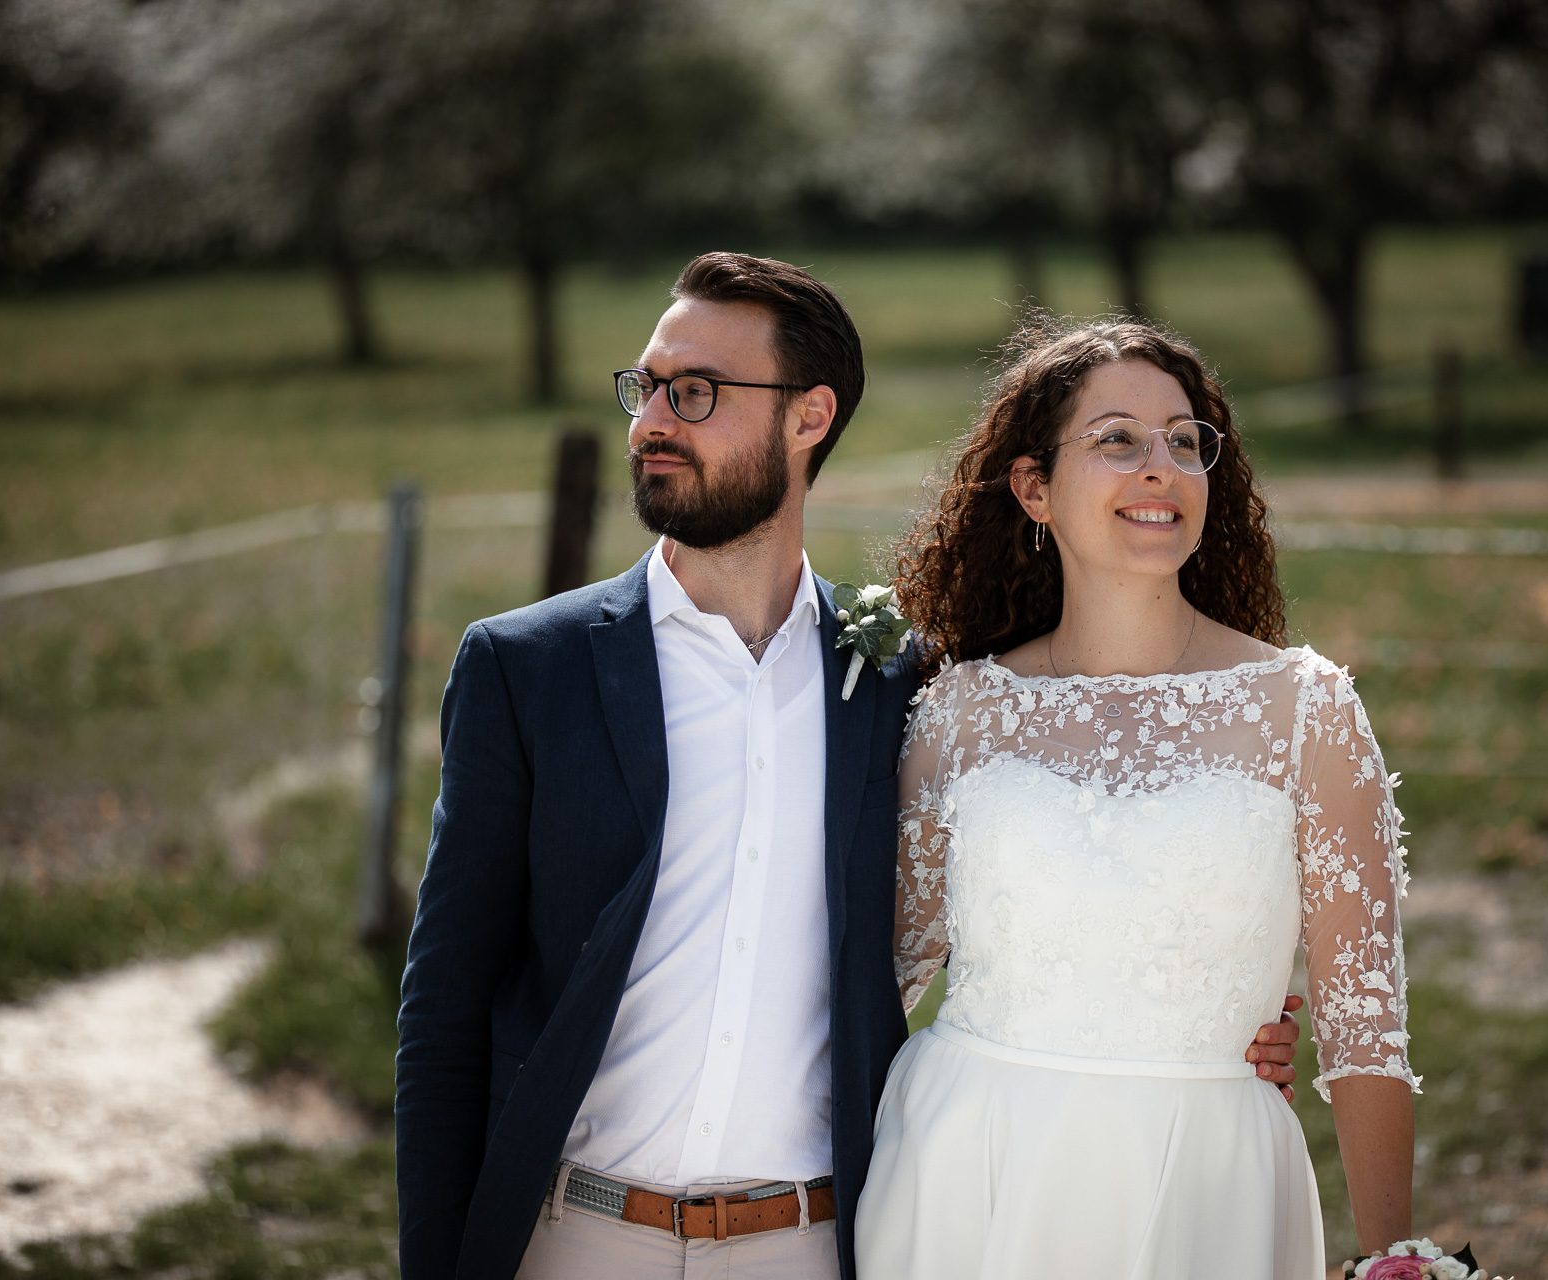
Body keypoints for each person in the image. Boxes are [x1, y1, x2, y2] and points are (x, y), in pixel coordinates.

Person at [394, 253, 1308, 1280]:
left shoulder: (898, 680)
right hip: (571, 1236)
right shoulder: (529, 668)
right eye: (646, 385)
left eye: (695, 391)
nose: (653, 418)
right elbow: (442, 1008)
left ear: (809, 416)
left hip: (817, 1242)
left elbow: (1035, 880)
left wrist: (1217, 1010)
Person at [855, 318, 1418, 1279]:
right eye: (1117, 440)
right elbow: (880, 984)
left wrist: (1393, 1261)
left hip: (1209, 1176)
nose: (1160, 467)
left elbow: (1367, 1030)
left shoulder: (1305, 711)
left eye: (1184, 441)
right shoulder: (957, 713)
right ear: (1034, 487)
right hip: (968, 1168)